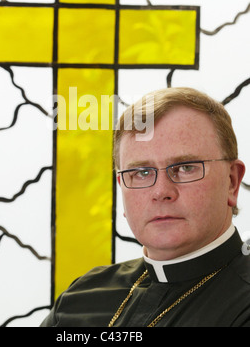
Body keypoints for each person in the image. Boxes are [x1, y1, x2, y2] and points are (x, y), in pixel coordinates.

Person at [41, 87, 250, 327]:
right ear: (122, 187)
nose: (161, 192)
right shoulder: (80, 298)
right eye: (141, 172)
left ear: (232, 182)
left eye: (185, 168)